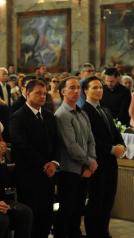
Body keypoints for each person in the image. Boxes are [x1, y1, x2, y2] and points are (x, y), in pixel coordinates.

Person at [10, 79, 60, 238]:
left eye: (45, 93)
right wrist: (44, 164)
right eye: (38, 93)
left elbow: (57, 142)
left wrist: (54, 162)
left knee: (47, 215)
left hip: (49, 174)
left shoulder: (49, 116)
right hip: (29, 175)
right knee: (32, 216)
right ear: (27, 93)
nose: (43, 96)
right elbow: (22, 146)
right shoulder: (18, 117)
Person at [81, 76, 126, 238]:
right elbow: (89, 138)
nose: (99, 90)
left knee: (108, 199)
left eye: (100, 87)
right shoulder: (84, 111)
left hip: (111, 163)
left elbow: (115, 133)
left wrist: (121, 145)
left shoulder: (105, 110)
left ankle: (104, 231)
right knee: (96, 201)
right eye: (94, 87)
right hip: (96, 162)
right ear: (85, 90)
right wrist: (111, 149)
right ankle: (94, 233)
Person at [54, 76, 97, 238]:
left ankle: (75, 233)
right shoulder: (62, 115)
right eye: (72, 88)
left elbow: (90, 139)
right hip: (69, 169)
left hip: (84, 168)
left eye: (78, 87)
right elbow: (71, 146)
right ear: (63, 91)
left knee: (79, 208)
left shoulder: (82, 113)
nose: (76, 91)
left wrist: (90, 162)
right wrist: (89, 162)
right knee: (67, 208)